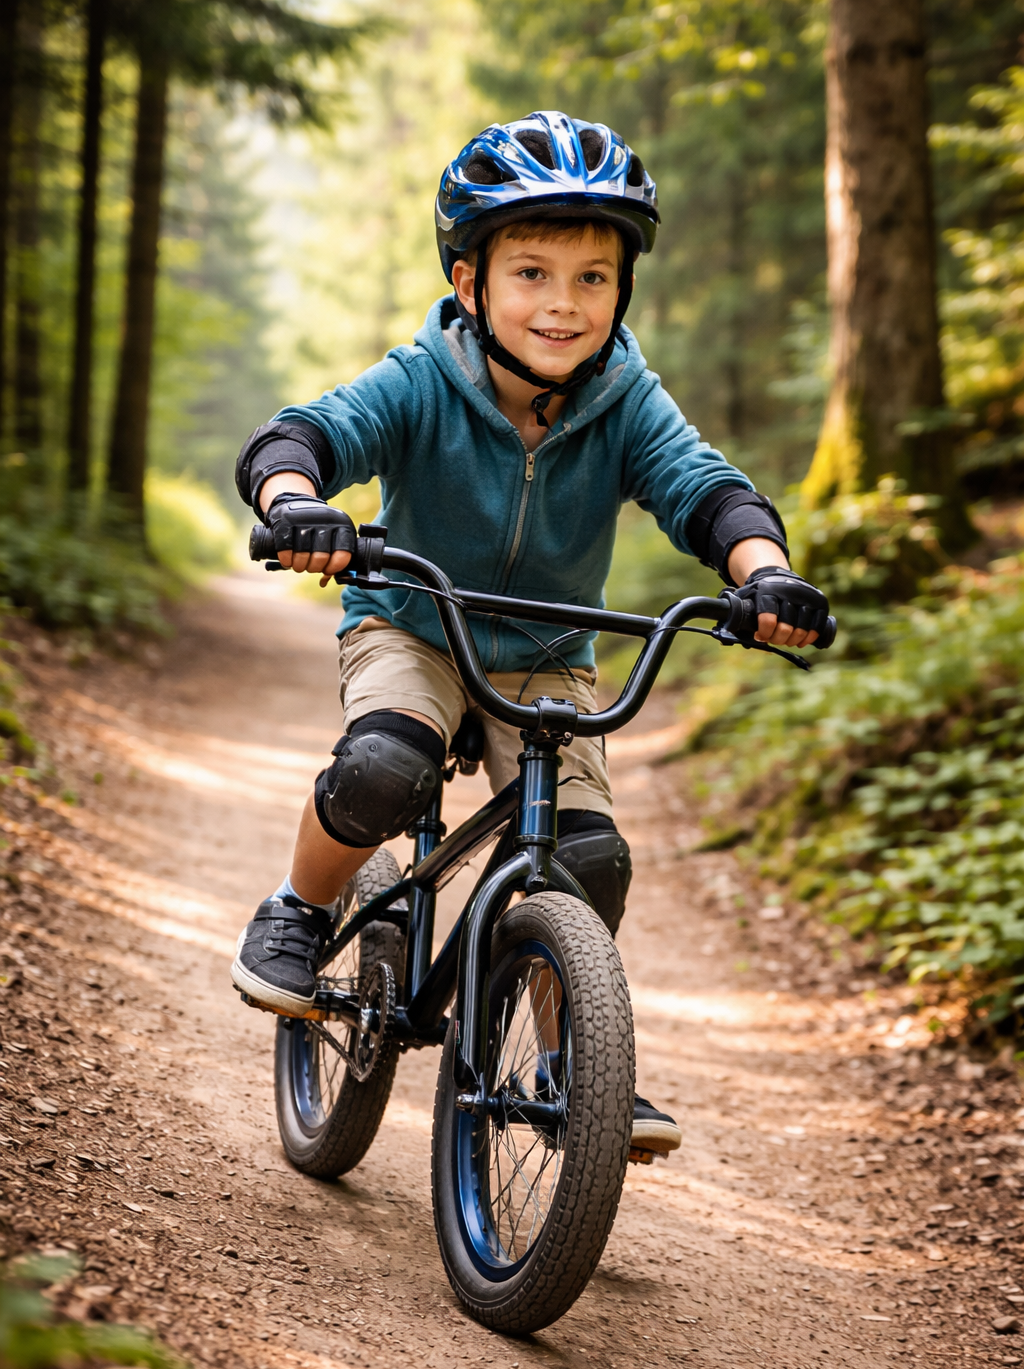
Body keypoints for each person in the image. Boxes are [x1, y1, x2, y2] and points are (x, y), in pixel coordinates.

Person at [230, 111, 830, 1158]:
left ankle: (569, 1066)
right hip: (415, 623)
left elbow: (706, 491)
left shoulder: (626, 400)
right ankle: (296, 907)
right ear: (470, 284)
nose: (563, 304)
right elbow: (309, 436)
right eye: (532, 273)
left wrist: (765, 573)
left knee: (586, 859)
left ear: (622, 292)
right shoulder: (422, 377)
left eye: (593, 278)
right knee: (384, 766)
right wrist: (295, 502)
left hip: (551, 649)